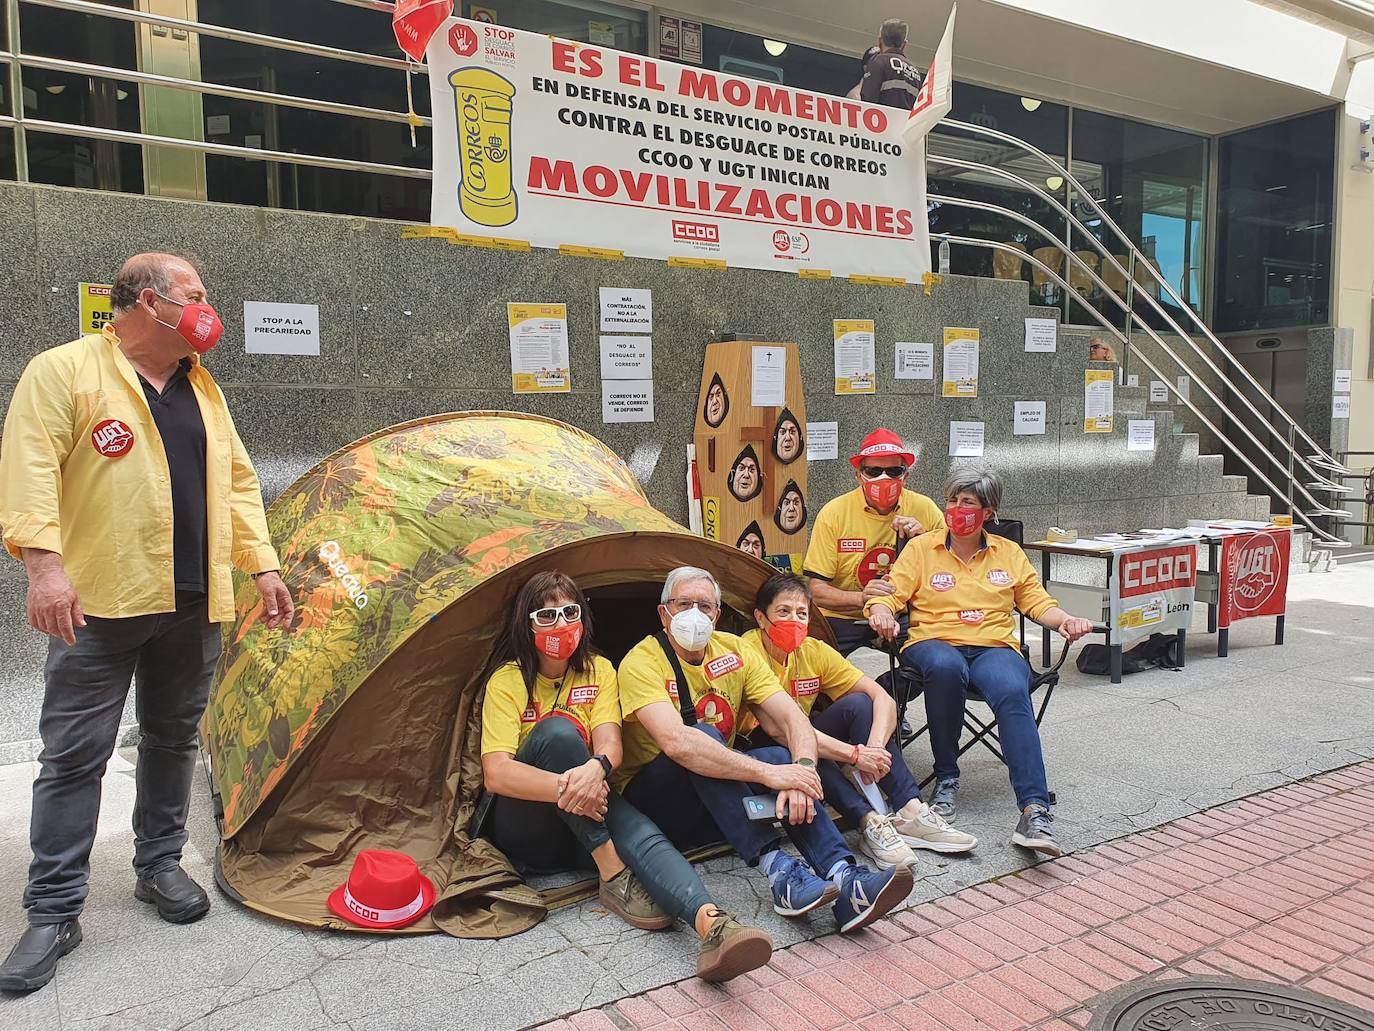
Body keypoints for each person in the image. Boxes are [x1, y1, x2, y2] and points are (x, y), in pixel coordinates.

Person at [0, 253, 293, 992]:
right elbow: (28, 466)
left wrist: (262, 565)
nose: (207, 306)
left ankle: (158, 862)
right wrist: (43, 567)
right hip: (98, 603)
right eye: (196, 294)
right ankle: (54, 907)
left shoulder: (202, 386)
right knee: (74, 753)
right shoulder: (63, 370)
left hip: (192, 602)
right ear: (148, 301)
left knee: (170, 736)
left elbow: (236, 479)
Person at [480, 571, 771, 983]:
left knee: (638, 828)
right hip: (530, 829)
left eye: (569, 612)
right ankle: (615, 876)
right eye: (546, 616)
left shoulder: (599, 669)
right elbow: (497, 774)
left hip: (587, 816)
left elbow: (610, 748)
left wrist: (594, 773)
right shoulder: (507, 680)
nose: (560, 625)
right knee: (558, 736)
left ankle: (714, 925)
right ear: (526, 626)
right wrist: (574, 786)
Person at [617, 567, 912, 934]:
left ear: (717, 614)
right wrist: (772, 775)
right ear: (664, 614)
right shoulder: (641, 661)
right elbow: (679, 743)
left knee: (780, 754)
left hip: (714, 797)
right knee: (706, 739)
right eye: (683, 604)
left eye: (705, 606)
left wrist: (801, 771)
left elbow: (791, 720)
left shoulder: (736, 651)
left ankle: (844, 877)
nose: (695, 614)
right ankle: (780, 872)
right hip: (655, 803)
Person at [866, 467, 1095, 858]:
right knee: (946, 667)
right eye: (953, 500)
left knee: (1010, 686)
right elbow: (891, 593)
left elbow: (1037, 603)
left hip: (993, 647)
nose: (956, 509)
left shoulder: (1009, 553)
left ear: (989, 511)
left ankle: (1035, 810)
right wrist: (882, 611)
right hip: (932, 642)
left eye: (968, 502)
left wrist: (1066, 621)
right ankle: (947, 777)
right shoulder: (922, 549)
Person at [739, 575, 978, 870]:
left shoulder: (813, 650)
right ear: (761, 618)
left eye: (802, 613)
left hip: (805, 735)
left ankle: (910, 810)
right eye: (783, 612)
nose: (794, 620)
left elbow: (884, 700)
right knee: (802, 752)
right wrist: (854, 755)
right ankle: (869, 823)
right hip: (761, 746)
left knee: (861, 704)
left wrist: (874, 751)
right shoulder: (747, 650)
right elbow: (778, 730)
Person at [804, 429, 944, 657]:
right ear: (859, 475)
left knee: (938, 658)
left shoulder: (925, 509)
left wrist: (924, 542)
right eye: (874, 471)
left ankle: (886, 690)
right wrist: (863, 599)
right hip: (842, 617)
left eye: (893, 471)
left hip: (904, 615)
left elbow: (949, 577)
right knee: (812, 660)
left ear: (905, 476)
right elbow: (815, 590)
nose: (884, 478)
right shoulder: (834, 513)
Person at [860, 19, 924, 111]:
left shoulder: (878, 62)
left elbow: (867, 99)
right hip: (905, 124)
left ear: (880, 41)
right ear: (904, 44)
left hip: (882, 122)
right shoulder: (915, 71)